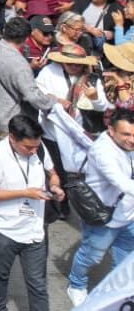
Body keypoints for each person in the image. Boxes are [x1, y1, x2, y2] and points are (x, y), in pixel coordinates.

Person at [0, 113, 63, 311]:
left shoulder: (38, 148)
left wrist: (55, 186)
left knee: (38, 284)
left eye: (36, 146)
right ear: (12, 138)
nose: (34, 151)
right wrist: (25, 193)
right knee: (0, 276)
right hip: (4, 230)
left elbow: (53, 173)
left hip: (35, 230)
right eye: (28, 147)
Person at [0, 16, 60, 177]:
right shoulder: (19, 64)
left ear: (5, 31)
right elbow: (32, 96)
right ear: (26, 38)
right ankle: (0, 177)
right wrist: (52, 100)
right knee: (9, 150)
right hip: (10, 115)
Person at [66, 107, 134, 306]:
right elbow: (120, 182)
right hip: (104, 217)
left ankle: (115, 293)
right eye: (126, 134)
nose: (132, 139)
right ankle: (76, 285)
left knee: (125, 258)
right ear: (111, 130)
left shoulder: (128, 147)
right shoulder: (103, 151)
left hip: (129, 216)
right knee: (91, 256)